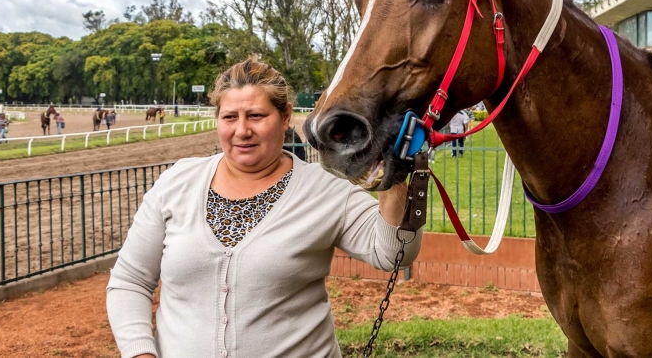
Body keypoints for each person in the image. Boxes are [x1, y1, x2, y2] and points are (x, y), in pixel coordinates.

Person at [106, 58, 422, 358]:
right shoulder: (177, 182)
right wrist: (139, 352)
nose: (242, 130)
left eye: (256, 116)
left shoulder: (325, 187)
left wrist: (392, 169)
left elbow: (394, 252)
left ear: (285, 118)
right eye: (230, 117)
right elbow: (129, 281)